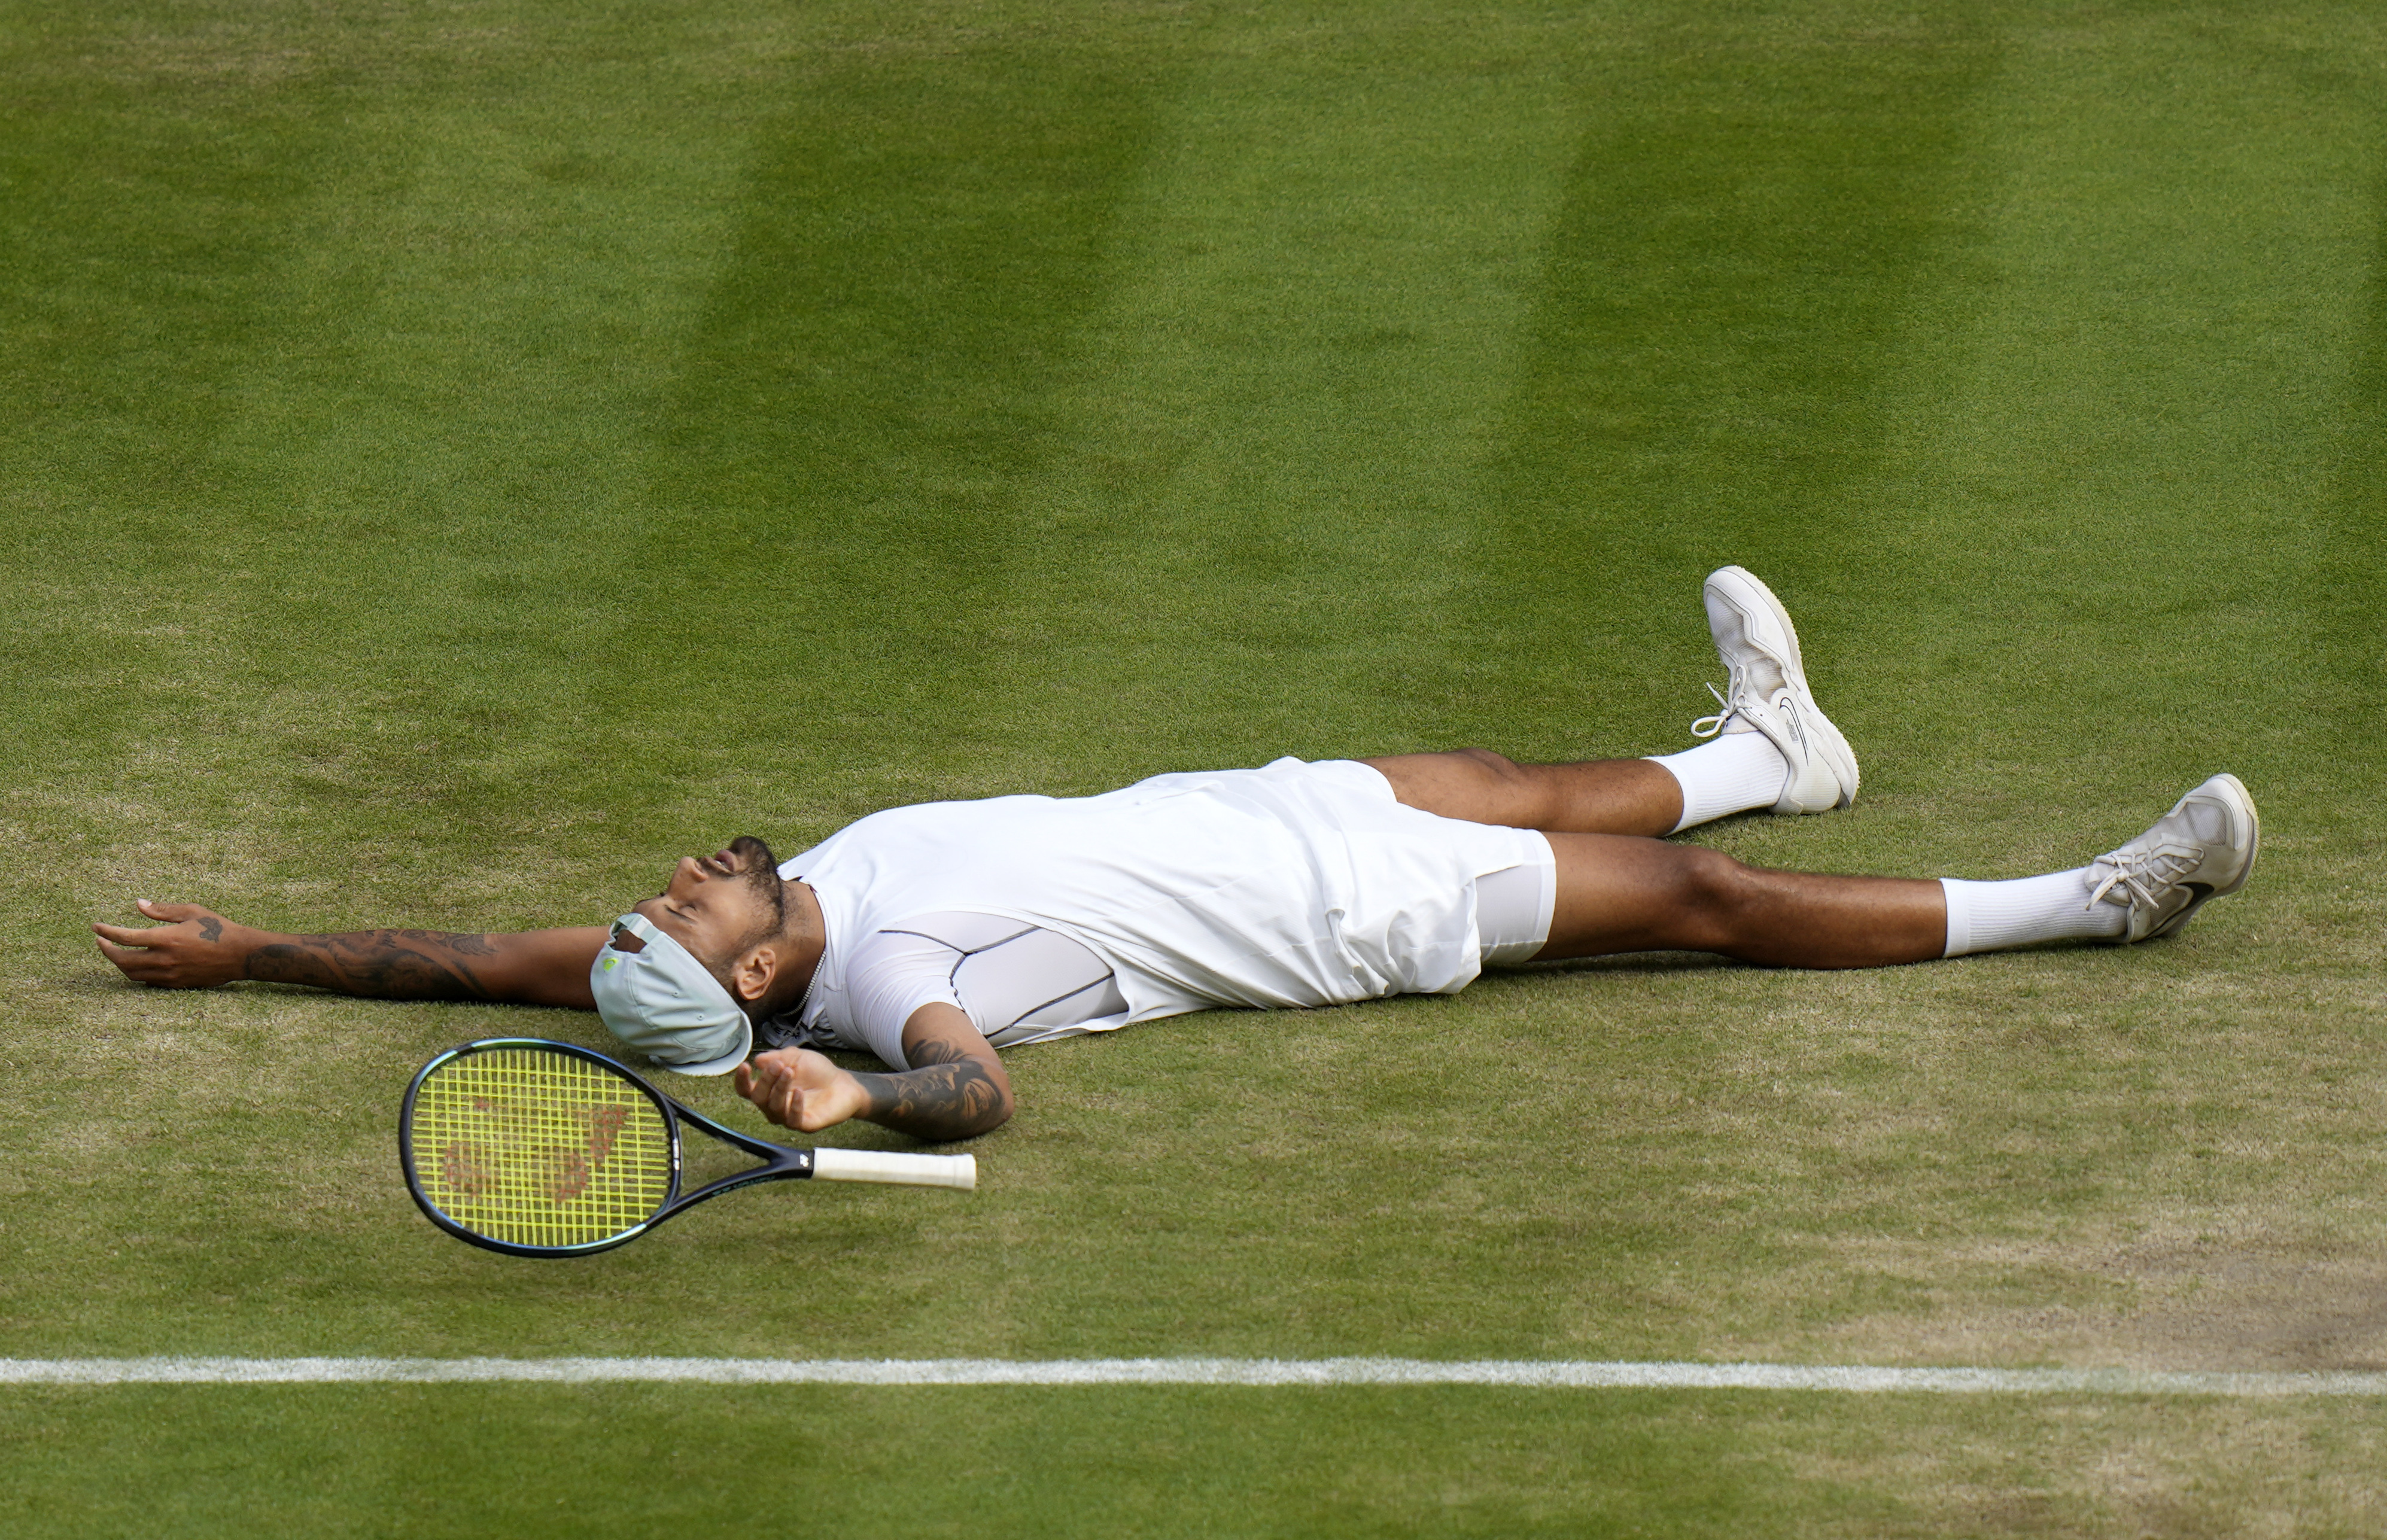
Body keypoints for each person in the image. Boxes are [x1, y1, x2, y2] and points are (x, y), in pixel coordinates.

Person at [93, 567, 2259, 1145]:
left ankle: (1776, 752)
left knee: (1518, 767)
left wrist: (252, 944)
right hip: (1349, 914)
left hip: (1285, 812)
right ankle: (2094, 897)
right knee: (1700, 921)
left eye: (667, 896)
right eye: (686, 910)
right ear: (761, 988)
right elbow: (982, 1086)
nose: (675, 878)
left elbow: (481, 961)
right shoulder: (884, 965)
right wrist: (866, 1100)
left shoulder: (772, 924)